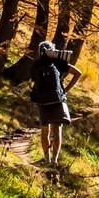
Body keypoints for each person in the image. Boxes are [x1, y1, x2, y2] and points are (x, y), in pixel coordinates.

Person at [29, 35, 77, 169]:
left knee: (45, 130)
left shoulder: (36, 65)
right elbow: (78, 73)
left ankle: (46, 158)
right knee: (57, 129)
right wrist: (65, 90)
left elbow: (33, 81)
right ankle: (54, 160)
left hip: (42, 101)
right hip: (58, 100)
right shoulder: (58, 62)